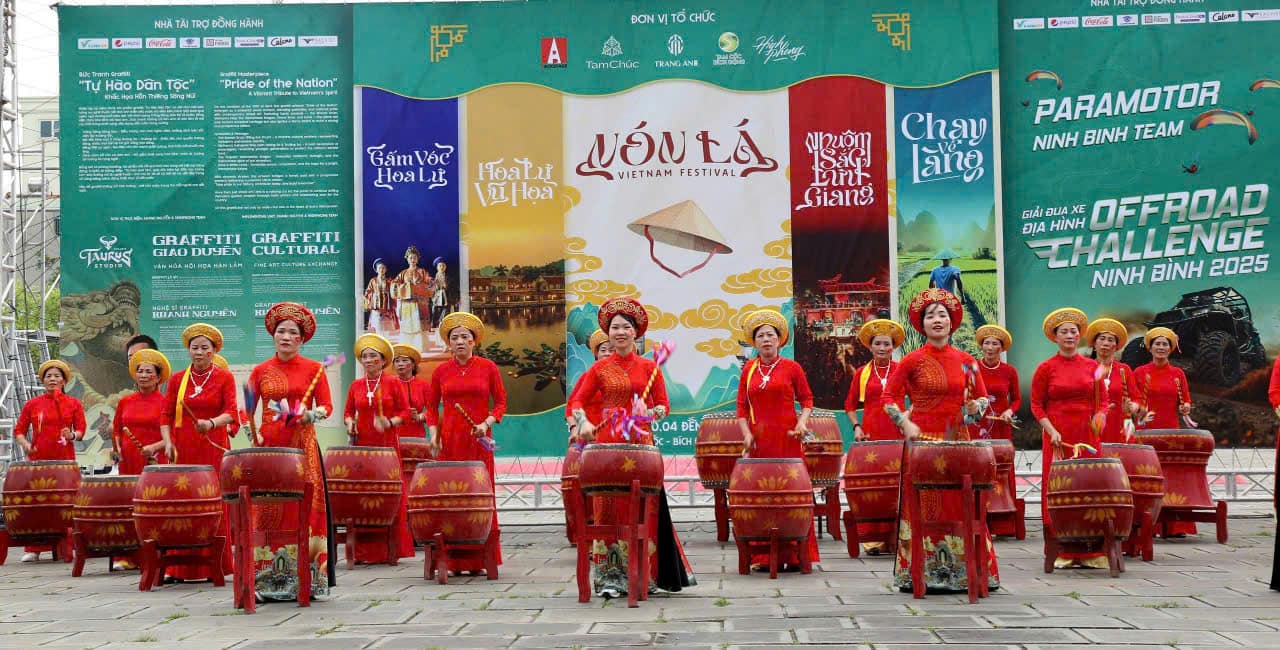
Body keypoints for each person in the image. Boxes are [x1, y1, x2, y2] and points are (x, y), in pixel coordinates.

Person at [569, 297, 694, 598]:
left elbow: (664, 406)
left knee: (641, 510)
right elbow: (577, 401)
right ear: (608, 333)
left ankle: (643, 576)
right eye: (615, 327)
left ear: (636, 333)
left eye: (626, 327)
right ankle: (611, 578)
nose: (620, 332)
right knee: (607, 509)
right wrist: (582, 421)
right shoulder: (599, 369)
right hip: (607, 445)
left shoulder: (650, 367)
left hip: (640, 443)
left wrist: (649, 413)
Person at [881, 288, 997, 593]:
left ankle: (967, 570)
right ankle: (921, 571)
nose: (937, 320)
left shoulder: (968, 362)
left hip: (958, 443)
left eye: (942, 315)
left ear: (952, 322)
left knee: (962, 506)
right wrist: (904, 422)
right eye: (930, 315)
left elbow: (982, 401)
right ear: (922, 324)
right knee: (923, 508)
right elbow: (889, 396)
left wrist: (975, 409)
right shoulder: (911, 361)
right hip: (922, 446)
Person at [247, 302, 336, 600]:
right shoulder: (260, 371)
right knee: (269, 512)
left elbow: (327, 406)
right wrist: (253, 434)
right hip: (270, 450)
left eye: (292, 333)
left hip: (303, 449)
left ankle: (308, 581)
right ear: (273, 335)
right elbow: (246, 410)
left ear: (301, 339)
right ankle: (266, 582)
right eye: (281, 331)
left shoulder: (314, 369)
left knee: (305, 509)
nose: (286, 337)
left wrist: (312, 415)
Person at [425, 312, 507, 573]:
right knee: (451, 495)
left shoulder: (488, 367)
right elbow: (430, 407)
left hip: (479, 439)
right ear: (449, 343)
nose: (460, 341)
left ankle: (482, 557)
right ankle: (452, 558)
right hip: (449, 440)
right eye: (455, 337)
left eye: (465, 337)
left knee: (479, 493)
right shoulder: (440, 371)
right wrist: (433, 433)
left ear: (474, 341)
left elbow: (501, 403)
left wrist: (487, 423)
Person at [735, 308, 817, 569]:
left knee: (791, 493)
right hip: (760, 441)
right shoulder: (749, 369)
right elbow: (740, 407)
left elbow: (807, 399)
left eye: (771, 335)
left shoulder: (792, 368)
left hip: (788, 438)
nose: (766, 340)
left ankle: (795, 554)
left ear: (779, 339)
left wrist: (802, 422)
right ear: (754, 342)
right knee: (764, 495)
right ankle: (762, 555)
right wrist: (747, 434)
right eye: (760, 336)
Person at [1031, 308, 1105, 569]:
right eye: (1064, 331)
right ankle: (1062, 549)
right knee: (1059, 489)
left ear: (1080, 336)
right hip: (1057, 436)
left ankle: (1092, 551)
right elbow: (1036, 406)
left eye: (1074, 331)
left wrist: (1100, 418)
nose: (1070, 335)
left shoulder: (1093, 367)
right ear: (1055, 337)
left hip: (1087, 434)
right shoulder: (1045, 368)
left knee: (1090, 488)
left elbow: (1102, 402)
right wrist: (1050, 430)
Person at [164, 323, 238, 580]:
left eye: (204, 348)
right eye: (194, 347)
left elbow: (232, 413)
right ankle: (179, 567)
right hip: (184, 447)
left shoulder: (224, 377)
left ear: (213, 351)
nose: (198, 352)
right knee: (183, 501)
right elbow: (166, 414)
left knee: (213, 502)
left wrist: (211, 423)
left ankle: (216, 565)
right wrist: (168, 442)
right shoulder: (177, 379)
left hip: (213, 445)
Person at [342, 333, 414, 564]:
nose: (368, 360)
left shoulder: (393, 383)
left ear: (383, 361)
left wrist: (390, 422)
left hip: (387, 445)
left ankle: (392, 549)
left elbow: (405, 413)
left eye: (373, 356)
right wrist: (350, 423)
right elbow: (347, 412)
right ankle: (364, 552)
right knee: (365, 495)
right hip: (364, 446)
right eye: (365, 356)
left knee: (389, 493)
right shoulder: (355, 385)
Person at [14, 359, 87, 562]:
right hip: (39, 459)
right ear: (43, 380)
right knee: (38, 503)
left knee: (66, 502)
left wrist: (71, 435)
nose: (52, 379)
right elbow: (19, 431)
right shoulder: (32, 404)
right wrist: (26, 444)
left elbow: (81, 431)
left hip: (64, 459)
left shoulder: (73, 403)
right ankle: (35, 547)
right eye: (48, 376)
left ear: (64, 381)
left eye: (57, 376)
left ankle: (69, 545)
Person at [1133, 327, 1195, 538]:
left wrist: (1186, 407)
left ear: (1171, 348)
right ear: (1150, 347)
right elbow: (1133, 400)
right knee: (1148, 476)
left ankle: (1176, 526)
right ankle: (1149, 524)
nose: (1161, 347)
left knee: (1172, 477)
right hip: (1146, 430)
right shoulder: (1139, 372)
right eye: (1157, 344)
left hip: (1171, 431)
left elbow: (1185, 399)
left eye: (1165, 344)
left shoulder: (1178, 374)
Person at [114, 349, 174, 474]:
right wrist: (116, 450)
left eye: (148, 372)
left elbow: (173, 435)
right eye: (140, 371)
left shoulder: (166, 403)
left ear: (158, 377)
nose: (143, 375)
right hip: (127, 459)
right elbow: (117, 431)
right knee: (128, 491)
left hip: (154, 458)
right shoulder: (124, 401)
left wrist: (154, 448)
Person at [845, 319, 906, 442]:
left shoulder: (902, 370)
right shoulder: (862, 373)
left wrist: (907, 417)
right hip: (870, 434)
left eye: (887, 344)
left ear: (893, 347)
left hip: (899, 432)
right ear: (870, 347)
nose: (882, 348)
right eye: (877, 343)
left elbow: (917, 399)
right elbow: (849, 405)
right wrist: (856, 427)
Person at [1086, 318, 1142, 444]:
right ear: (1094, 345)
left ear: (1116, 347)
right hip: (1092, 427)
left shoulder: (1124, 369)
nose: (1105, 343)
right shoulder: (1085, 369)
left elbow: (1137, 399)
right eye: (1102, 338)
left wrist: (1133, 406)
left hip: (1119, 427)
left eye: (1110, 340)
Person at [974, 325, 1020, 442]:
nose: (990, 347)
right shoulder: (972, 368)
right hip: (976, 424)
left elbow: (1017, 400)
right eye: (986, 343)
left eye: (994, 344)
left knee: (1001, 457)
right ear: (982, 345)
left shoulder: (1010, 371)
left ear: (1002, 348)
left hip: (1001, 424)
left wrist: (1009, 411)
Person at [566, 330, 612, 442]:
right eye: (603, 350)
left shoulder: (627, 379)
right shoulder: (587, 377)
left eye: (612, 350)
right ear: (597, 354)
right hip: (589, 437)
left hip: (617, 438)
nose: (607, 353)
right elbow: (570, 407)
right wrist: (575, 428)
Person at [393, 246, 432, 346]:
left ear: (417, 259)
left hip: (420, 303)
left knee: (420, 324)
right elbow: (394, 283)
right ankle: (408, 344)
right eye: (410, 258)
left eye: (414, 257)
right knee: (408, 324)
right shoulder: (403, 273)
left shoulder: (422, 272)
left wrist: (423, 285)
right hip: (407, 303)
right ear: (407, 259)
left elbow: (430, 282)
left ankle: (420, 345)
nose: (413, 260)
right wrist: (406, 286)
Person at [391, 344, 430, 439]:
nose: (400, 364)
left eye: (404, 360)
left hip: (417, 435)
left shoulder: (424, 385)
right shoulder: (389, 384)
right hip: (393, 434)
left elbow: (433, 412)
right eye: (397, 361)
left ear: (413, 365)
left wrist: (419, 417)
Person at [365, 258, 400, 337]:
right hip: (377, 307)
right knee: (378, 327)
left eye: (383, 268)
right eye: (380, 268)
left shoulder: (390, 281)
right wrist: (375, 295)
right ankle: (379, 342)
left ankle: (385, 343)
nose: (381, 270)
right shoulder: (373, 281)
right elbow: (368, 292)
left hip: (387, 308)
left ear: (386, 269)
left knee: (386, 329)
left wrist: (389, 294)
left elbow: (395, 292)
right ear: (376, 270)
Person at [430, 257, 450, 330]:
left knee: (445, 311)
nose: (442, 267)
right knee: (435, 311)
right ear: (437, 267)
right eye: (440, 265)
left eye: (443, 266)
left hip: (446, 297)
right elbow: (430, 288)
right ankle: (434, 324)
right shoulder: (433, 277)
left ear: (445, 267)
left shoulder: (448, 277)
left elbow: (451, 288)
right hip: (436, 297)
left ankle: (443, 325)